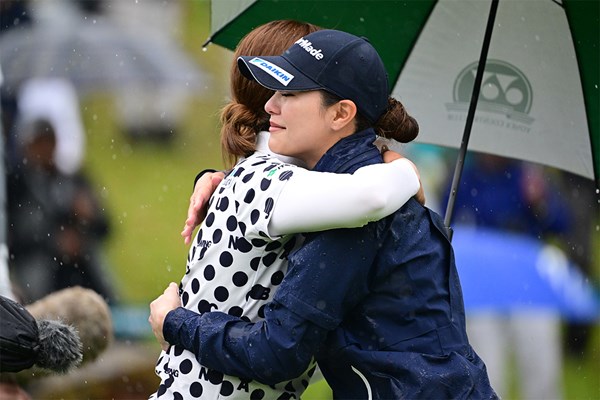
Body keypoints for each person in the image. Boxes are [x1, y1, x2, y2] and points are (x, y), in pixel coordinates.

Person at [150, 29, 497, 399]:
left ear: (341, 113)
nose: (271, 107)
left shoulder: (351, 214)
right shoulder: (335, 191)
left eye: (289, 93)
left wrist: (176, 322)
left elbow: (278, 352)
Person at [6, 118, 117, 304]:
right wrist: (54, 242)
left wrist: (90, 217)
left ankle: (111, 309)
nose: (43, 149)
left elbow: (106, 228)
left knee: (100, 280)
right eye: (38, 143)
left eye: (47, 142)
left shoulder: (74, 180)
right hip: (39, 266)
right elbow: (13, 238)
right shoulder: (16, 185)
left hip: (79, 265)